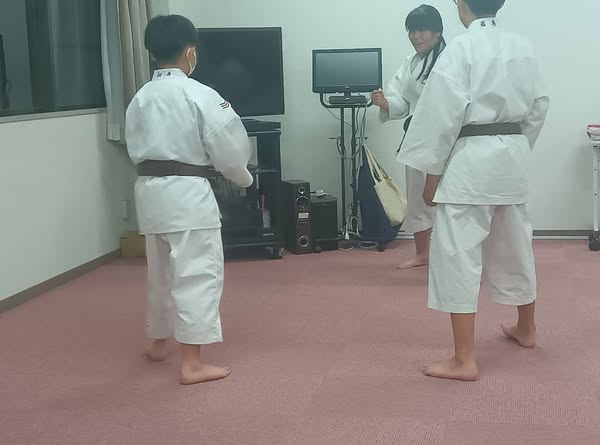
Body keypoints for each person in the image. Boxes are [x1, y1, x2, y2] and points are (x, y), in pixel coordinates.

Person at [397, 0, 549, 381]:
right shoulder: (523, 46)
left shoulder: (460, 49)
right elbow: (538, 107)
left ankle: (464, 359)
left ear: (461, 3)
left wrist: (432, 177)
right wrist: (516, 147)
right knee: (517, 246)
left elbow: (440, 116)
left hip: (469, 163)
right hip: (512, 156)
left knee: (458, 255)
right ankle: (527, 328)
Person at [125, 15, 253, 385]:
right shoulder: (200, 94)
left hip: (150, 194)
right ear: (191, 52)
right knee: (196, 274)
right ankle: (191, 364)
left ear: (152, 53)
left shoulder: (140, 98)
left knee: (161, 275)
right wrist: (242, 177)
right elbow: (230, 145)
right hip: (187, 195)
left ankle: (158, 343)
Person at [372, 5, 446, 270]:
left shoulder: (451, 59)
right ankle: (422, 254)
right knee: (417, 199)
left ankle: (453, 256)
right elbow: (402, 101)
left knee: (449, 199)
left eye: (422, 30)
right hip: (416, 138)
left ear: (437, 31)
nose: (416, 36)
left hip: (448, 139)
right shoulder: (411, 63)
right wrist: (385, 103)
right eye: (412, 31)